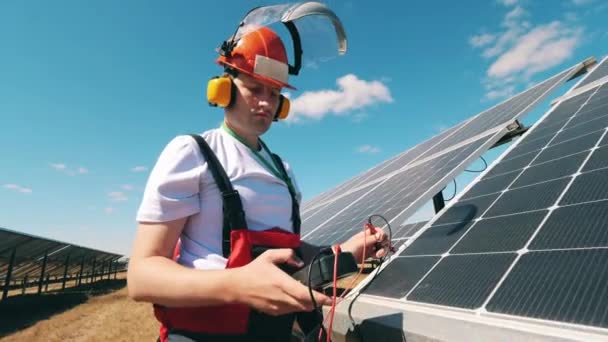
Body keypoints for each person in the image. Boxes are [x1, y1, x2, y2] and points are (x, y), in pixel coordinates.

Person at [127, 7, 390, 342]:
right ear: (224, 88)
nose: (266, 102)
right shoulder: (192, 152)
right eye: (255, 88)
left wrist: (346, 252)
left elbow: (287, 248)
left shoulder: (283, 170)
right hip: (204, 333)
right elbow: (141, 276)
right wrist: (238, 284)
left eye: (275, 93)